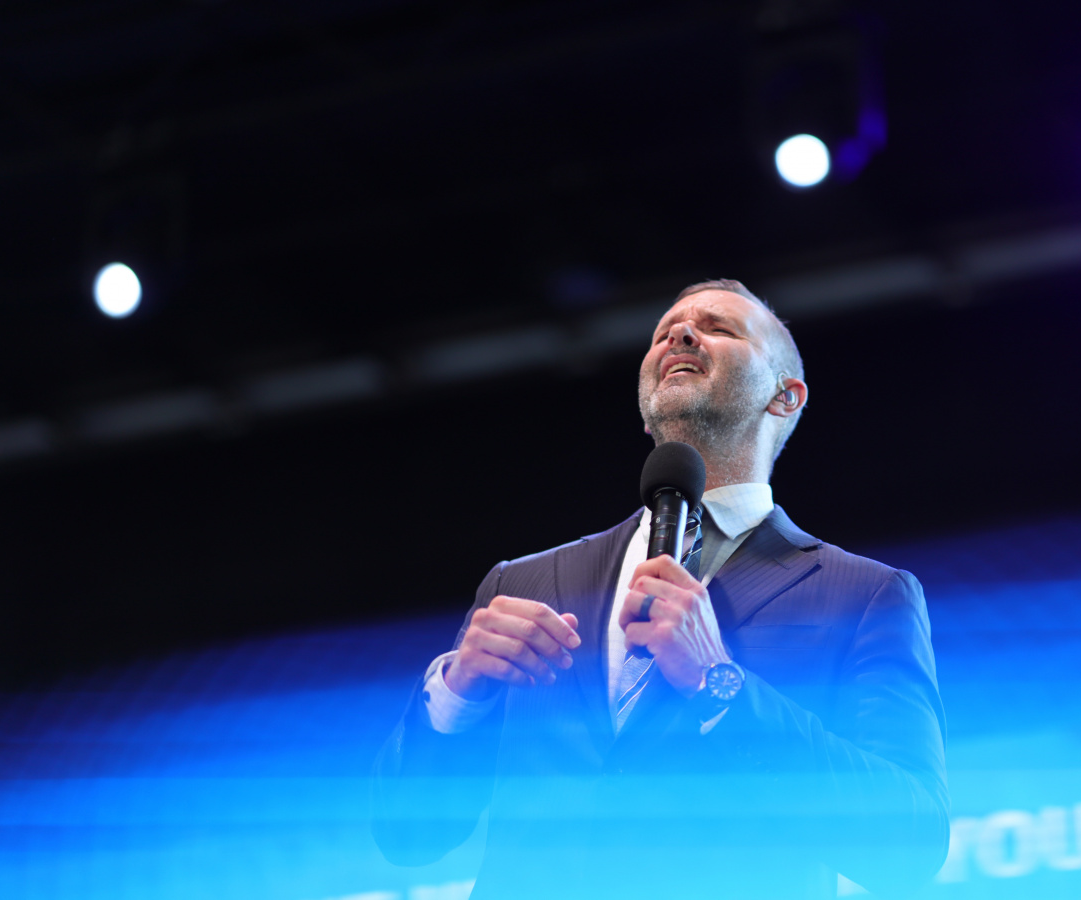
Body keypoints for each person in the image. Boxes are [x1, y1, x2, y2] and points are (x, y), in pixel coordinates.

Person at [372, 280, 949, 899]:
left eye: (718, 327)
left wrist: (721, 685)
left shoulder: (866, 595)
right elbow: (406, 836)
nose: (680, 334)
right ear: (647, 406)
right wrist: (457, 692)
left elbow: (910, 844)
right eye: (663, 333)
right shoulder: (521, 583)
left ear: (785, 397)